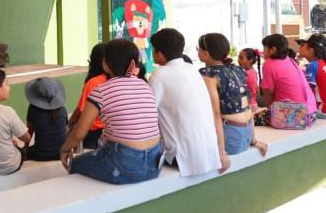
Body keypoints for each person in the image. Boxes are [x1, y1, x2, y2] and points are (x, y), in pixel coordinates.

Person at [60, 39, 163, 185]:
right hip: (154, 164)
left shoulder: (101, 91)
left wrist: (65, 149)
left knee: (76, 163)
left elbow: (79, 133)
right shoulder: (144, 85)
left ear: (105, 64)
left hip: (124, 164)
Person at [149, 28, 226, 176]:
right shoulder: (192, 69)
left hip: (182, 158)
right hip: (209, 153)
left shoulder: (159, 74)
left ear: (159, 53)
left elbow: (146, 114)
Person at [198, 33, 265, 164]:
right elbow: (247, 106)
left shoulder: (207, 75)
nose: (197, 52)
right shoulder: (238, 70)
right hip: (246, 135)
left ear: (206, 54)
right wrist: (253, 140)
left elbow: (215, 114)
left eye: (198, 49)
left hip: (231, 139)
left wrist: (221, 152)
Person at [260, 34, 317, 119]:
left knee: (257, 118)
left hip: (297, 115)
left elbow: (268, 92)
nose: (263, 51)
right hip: (311, 111)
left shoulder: (269, 64)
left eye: (264, 48)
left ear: (273, 50)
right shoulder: (290, 60)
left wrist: (271, 113)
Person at [66, 43, 106, 149]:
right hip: (110, 132)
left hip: (93, 135)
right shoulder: (114, 80)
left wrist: (68, 125)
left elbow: (81, 110)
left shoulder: (92, 82)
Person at [297, 35, 326, 118]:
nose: (299, 47)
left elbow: (308, 93)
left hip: (325, 111)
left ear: (311, 50)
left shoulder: (312, 65)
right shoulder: (324, 62)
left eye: (302, 45)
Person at [24, 77, 68, 161]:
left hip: (40, 154)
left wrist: (25, 148)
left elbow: (30, 131)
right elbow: (66, 130)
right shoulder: (62, 109)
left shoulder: (33, 109)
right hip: (60, 153)